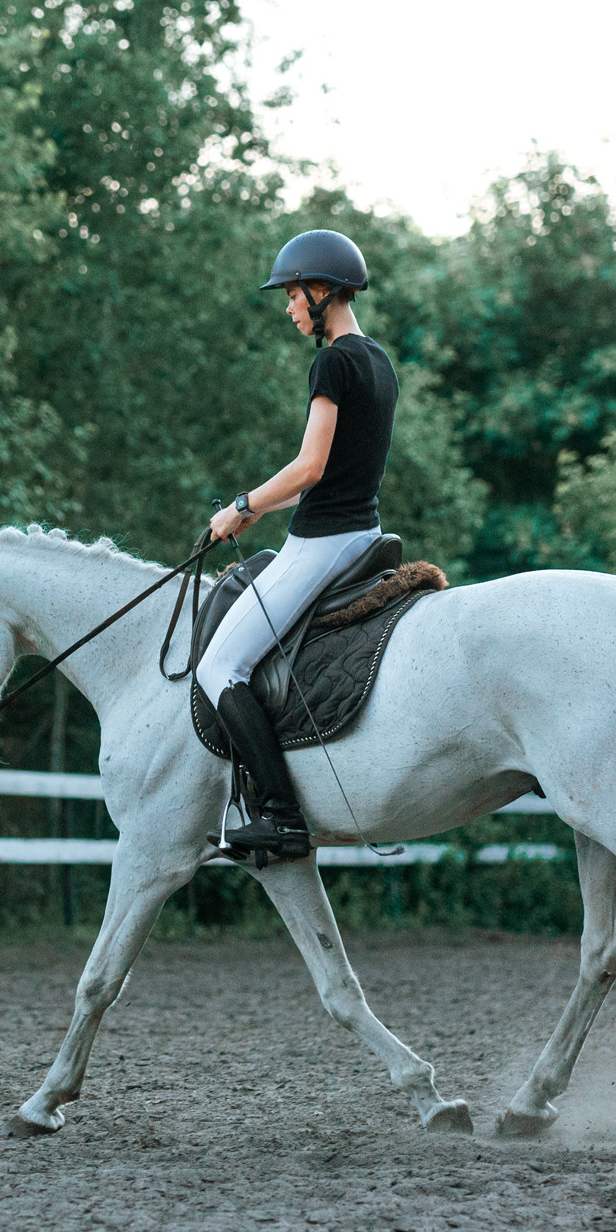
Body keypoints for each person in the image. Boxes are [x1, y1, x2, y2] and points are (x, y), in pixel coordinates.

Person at [196, 228, 400, 859]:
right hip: (360, 533)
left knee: (216, 667)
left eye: (292, 294)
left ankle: (281, 814)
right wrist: (263, 510)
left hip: (322, 544)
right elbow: (334, 472)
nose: (288, 307)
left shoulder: (333, 361)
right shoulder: (379, 362)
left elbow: (310, 467)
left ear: (324, 292)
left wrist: (241, 505)